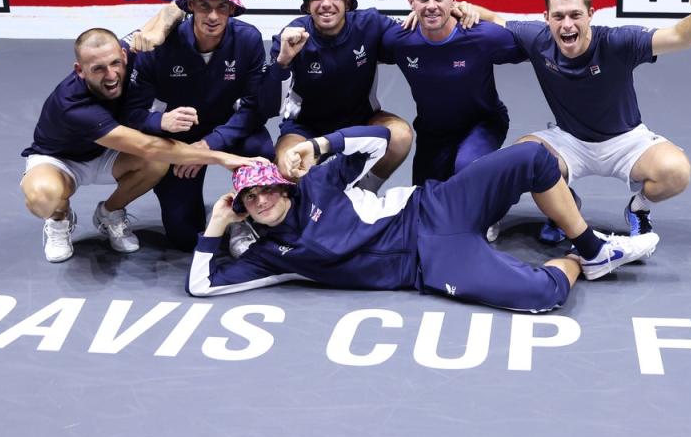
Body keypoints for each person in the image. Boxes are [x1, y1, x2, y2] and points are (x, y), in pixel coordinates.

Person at [186, 125, 660, 311]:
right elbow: (202, 286)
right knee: (539, 295)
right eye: (250, 199)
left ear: (284, 185)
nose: (262, 200)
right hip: (428, 264)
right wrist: (214, 226)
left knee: (533, 158)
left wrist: (321, 146)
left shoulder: (317, 183)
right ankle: (579, 262)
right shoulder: (272, 255)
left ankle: (596, 250)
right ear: (243, 208)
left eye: (267, 188)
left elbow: (384, 139)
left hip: (433, 206)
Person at [478, 0, 691, 240]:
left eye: (575, 15)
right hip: (569, 140)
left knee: (676, 171)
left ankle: (638, 210)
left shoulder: (617, 42)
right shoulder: (538, 39)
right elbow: (493, 20)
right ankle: (565, 208)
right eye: (559, 16)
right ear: (546, 17)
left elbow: (680, 37)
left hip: (626, 141)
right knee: (522, 159)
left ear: (590, 15)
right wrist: (459, 7)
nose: (567, 24)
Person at [20, 28, 259, 263]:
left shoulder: (132, 50)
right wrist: (221, 157)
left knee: (157, 164)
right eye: (98, 69)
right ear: (80, 71)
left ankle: (110, 213)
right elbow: (148, 146)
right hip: (61, 160)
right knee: (43, 197)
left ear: (124, 55)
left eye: (115, 63)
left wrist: (162, 24)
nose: (111, 75)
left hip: (107, 154)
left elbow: (168, 14)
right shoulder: (72, 105)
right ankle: (59, 218)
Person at [121, 0, 275, 250]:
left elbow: (254, 108)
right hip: (177, 136)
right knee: (181, 236)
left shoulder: (249, 40)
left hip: (227, 130)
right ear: (191, 5)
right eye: (204, 5)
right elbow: (132, 113)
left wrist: (208, 146)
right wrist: (160, 122)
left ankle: (243, 218)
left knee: (261, 151)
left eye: (222, 6)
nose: (213, 16)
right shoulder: (161, 46)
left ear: (231, 9)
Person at [378, 0, 527, 241]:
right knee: (427, 211)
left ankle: (497, 202)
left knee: (467, 171)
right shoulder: (398, 40)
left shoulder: (482, 36)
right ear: (410, 1)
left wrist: (484, 13)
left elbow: (533, 42)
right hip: (433, 133)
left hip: (483, 123)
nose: (431, 5)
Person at [265, 0, 414, 192]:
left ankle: (365, 191)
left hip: (362, 122)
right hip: (306, 127)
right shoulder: (291, 36)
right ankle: (311, 210)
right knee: (288, 166)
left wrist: (452, 12)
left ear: (347, 2)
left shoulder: (370, 23)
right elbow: (268, 103)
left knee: (400, 135)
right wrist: (283, 60)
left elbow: (415, 35)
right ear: (307, 5)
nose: (326, 4)